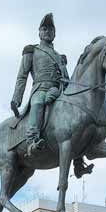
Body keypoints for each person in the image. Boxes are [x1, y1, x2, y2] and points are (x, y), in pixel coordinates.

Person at [11, 12, 69, 157]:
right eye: (44, 29)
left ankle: (78, 159)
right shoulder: (32, 50)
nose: (47, 32)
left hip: (58, 90)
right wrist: (16, 99)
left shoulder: (60, 57)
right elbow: (22, 76)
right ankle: (32, 141)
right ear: (39, 33)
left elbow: (66, 79)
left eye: (50, 30)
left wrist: (58, 90)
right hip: (40, 88)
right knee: (38, 103)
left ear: (54, 33)